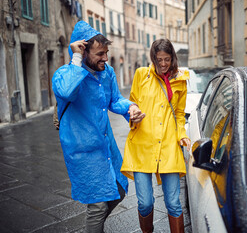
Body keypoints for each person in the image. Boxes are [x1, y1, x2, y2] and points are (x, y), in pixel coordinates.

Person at [52, 21, 145, 233]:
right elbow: (66, 92)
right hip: (83, 150)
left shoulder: (107, 72)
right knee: (97, 206)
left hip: (106, 145)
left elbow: (115, 100)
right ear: (83, 52)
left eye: (106, 52)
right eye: (99, 54)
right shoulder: (64, 74)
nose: (105, 58)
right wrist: (76, 58)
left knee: (120, 189)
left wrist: (130, 108)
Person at [121, 39, 191, 233]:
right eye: (159, 59)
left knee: (173, 203)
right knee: (145, 203)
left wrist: (182, 135)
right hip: (142, 145)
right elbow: (132, 103)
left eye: (167, 59)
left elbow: (179, 113)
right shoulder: (141, 75)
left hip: (168, 146)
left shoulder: (180, 79)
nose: (162, 64)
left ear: (172, 58)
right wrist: (133, 115)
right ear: (153, 58)